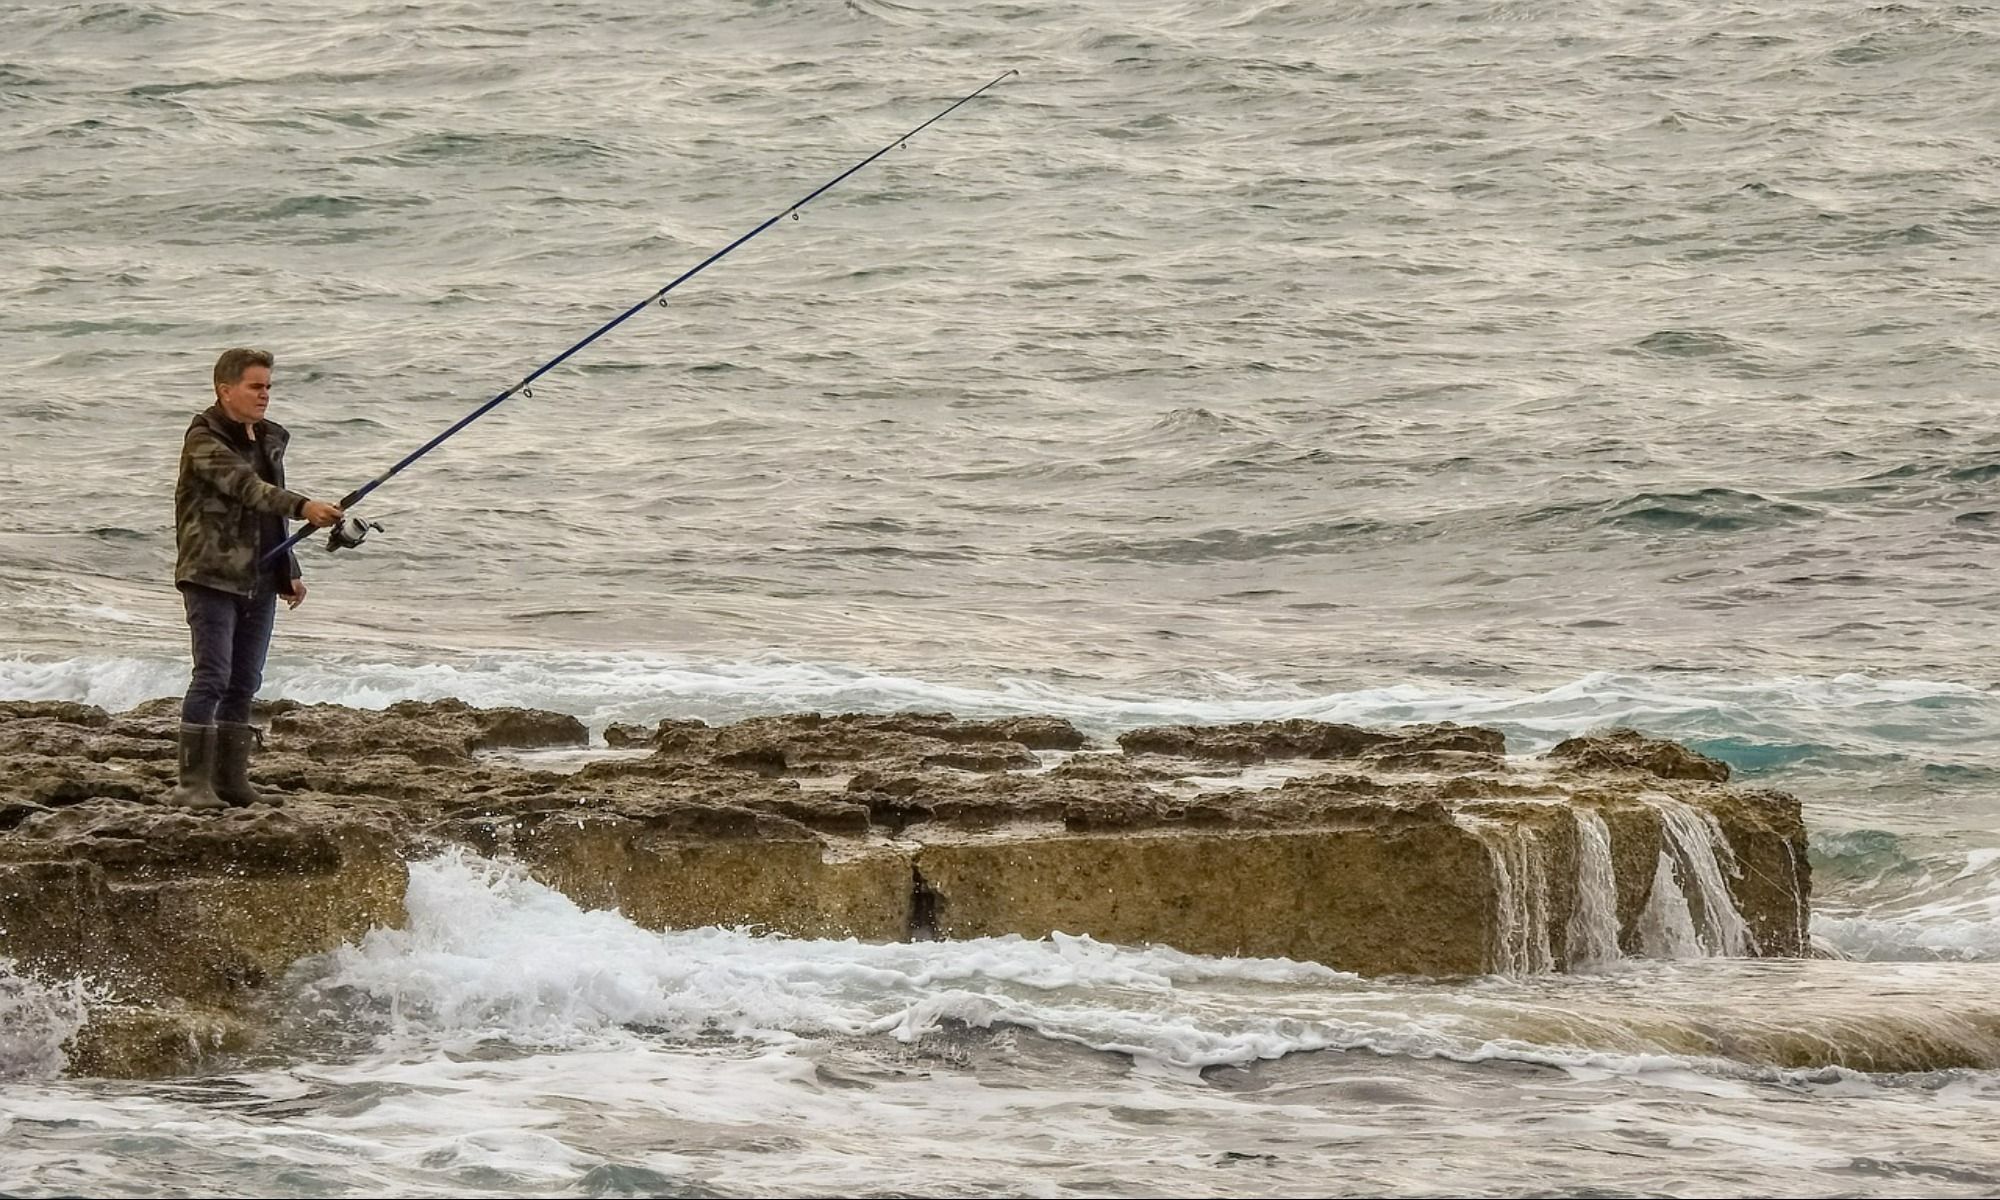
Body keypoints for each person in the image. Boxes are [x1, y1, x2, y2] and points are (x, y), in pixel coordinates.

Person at [168, 348, 342, 809]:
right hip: (210, 575)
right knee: (212, 677)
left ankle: (231, 783)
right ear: (225, 390)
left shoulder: (268, 438)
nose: (265, 395)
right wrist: (305, 506)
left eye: (268, 387)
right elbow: (247, 488)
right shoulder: (203, 439)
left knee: (246, 680)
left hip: (260, 578)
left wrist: (289, 571)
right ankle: (191, 786)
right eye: (255, 386)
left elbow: (268, 521)